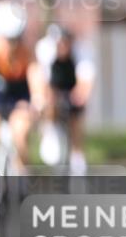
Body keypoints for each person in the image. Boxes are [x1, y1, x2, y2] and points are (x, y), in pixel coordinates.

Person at [0, 1, 43, 199]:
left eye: (16, 39)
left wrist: (38, 99)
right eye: (9, 39)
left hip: (19, 96)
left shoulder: (28, 52)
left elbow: (36, 78)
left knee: (20, 134)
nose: (13, 44)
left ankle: (22, 177)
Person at [35, 25, 96, 175]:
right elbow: (42, 81)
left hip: (72, 85)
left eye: (64, 43)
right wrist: (48, 97)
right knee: (48, 105)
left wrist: (79, 96)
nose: (62, 47)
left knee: (76, 118)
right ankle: (50, 131)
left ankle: (77, 159)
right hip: (53, 86)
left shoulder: (83, 50)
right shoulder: (44, 50)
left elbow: (86, 81)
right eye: (58, 43)